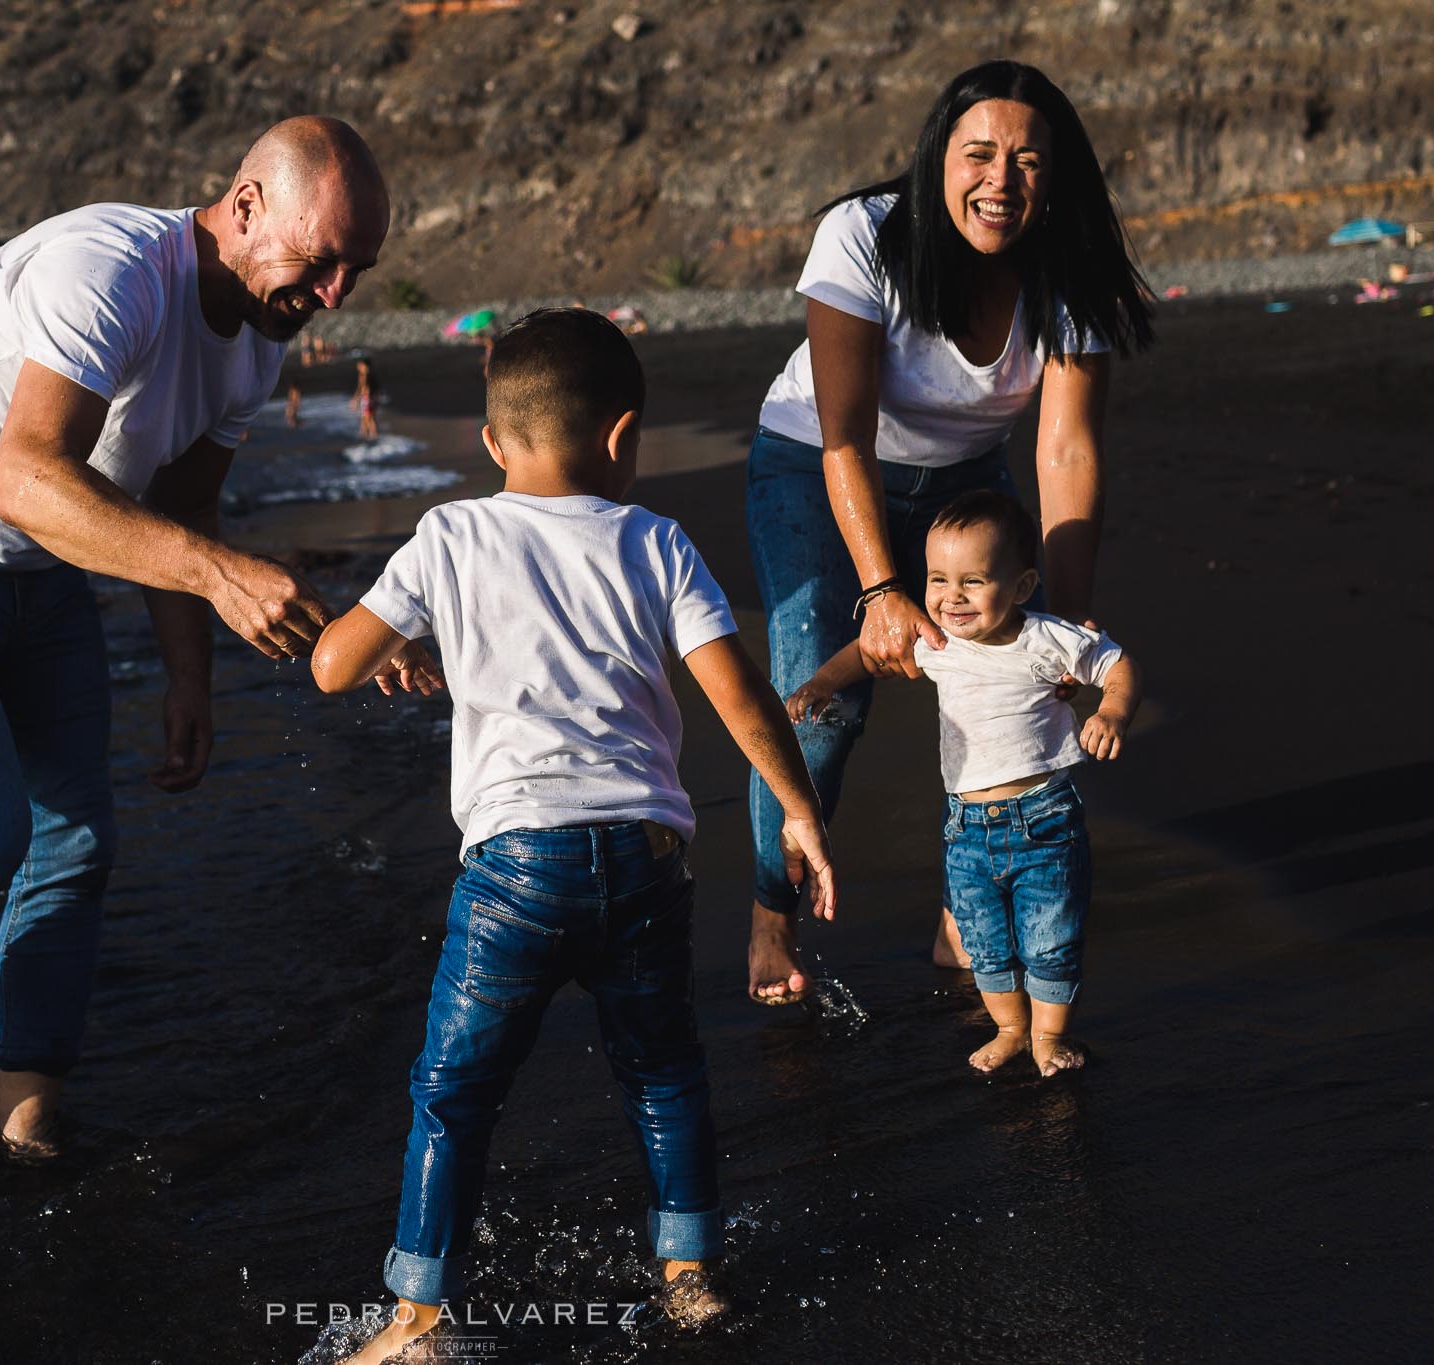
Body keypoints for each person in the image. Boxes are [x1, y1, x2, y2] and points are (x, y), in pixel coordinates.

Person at [0, 116, 394, 1160]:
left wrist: (189, 678)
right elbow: (24, 480)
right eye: (320, 257)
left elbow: (183, 505)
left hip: (35, 563)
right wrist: (215, 577)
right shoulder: (106, 271)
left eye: (355, 269)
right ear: (244, 206)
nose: (334, 292)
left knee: (72, 844)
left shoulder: (254, 335)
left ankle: (27, 1120)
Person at [311, 310, 838, 1361]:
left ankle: (418, 1316)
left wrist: (408, 642)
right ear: (622, 435)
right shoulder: (654, 541)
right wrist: (797, 810)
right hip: (644, 863)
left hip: (513, 872)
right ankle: (687, 1275)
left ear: (494, 444)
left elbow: (331, 664)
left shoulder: (450, 535)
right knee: (662, 1076)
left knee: (452, 1095)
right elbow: (738, 699)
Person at [743, 59, 1153, 1005]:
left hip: (966, 478)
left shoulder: (1069, 271)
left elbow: (1067, 457)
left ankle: (965, 908)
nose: (999, 182)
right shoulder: (864, 236)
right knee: (826, 701)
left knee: (1022, 675)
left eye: (1027, 162)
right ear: (938, 159)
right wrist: (883, 592)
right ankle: (773, 909)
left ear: (1058, 176)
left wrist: (1074, 630)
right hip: (818, 464)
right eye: (978, 154)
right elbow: (845, 434)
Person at [788, 492, 1140, 1075]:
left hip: (1043, 816)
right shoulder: (937, 642)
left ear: (1023, 586)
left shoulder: (1046, 639)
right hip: (966, 826)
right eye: (938, 579)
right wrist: (824, 682)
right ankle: (1009, 1027)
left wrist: (1112, 713)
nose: (952, 596)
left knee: (1051, 935)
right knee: (984, 939)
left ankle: (1049, 1038)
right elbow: (870, 654)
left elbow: (1119, 665)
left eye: (973, 581)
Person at [352, 356, 380, 438]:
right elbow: (360, 388)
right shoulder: (366, 375)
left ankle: (372, 435)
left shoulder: (366, 376)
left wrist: (357, 399)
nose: (358, 367)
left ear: (365, 366)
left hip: (368, 399)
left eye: (360, 365)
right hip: (369, 399)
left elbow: (364, 389)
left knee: (369, 418)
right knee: (366, 418)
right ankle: (366, 435)